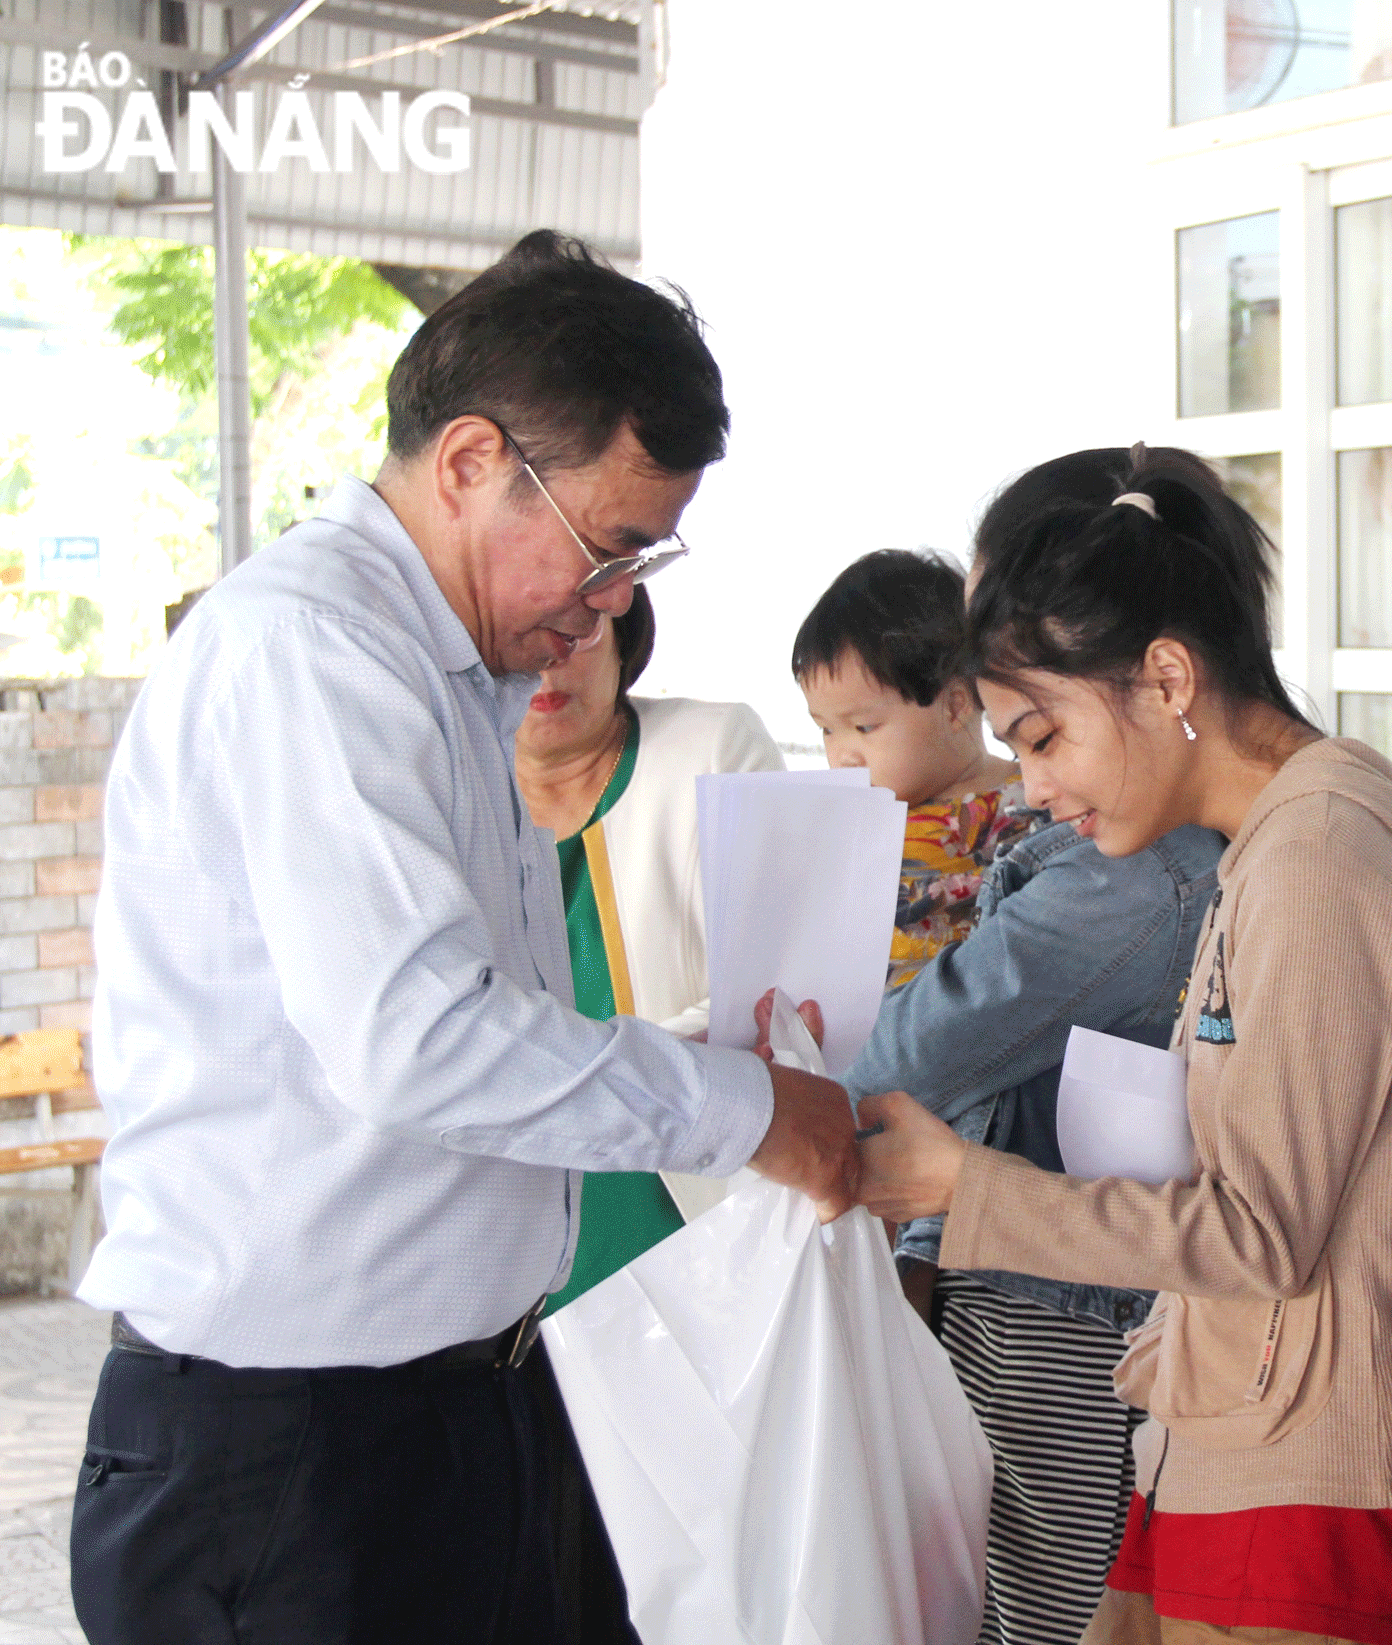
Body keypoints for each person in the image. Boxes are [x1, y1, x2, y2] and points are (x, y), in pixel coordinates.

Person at [69, 230, 861, 1645]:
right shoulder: (312, 655)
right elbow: (419, 1042)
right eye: (611, 546)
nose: (615, 599)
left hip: (454, 1402)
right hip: (289, 1456)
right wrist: (750, 1115)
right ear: (468, 463)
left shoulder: (452, 676)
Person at [855, 443, 1392, 1645]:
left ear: (1165, 677)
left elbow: (1255, 1230)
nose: (1035, 789)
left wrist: (967, 1189)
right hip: (1224, 1432)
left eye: (1043, 737)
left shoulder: (1318, 863)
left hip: (1313, 1481)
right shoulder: (1268, 847)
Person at [832, 456, 1227, 1645]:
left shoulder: (1140, 873)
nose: (1032, 774)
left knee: (1048, 1607)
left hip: (1069, 1308)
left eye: (1037, 727)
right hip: (1031, 1277)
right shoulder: (1114, 843)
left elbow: (914, 1052)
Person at [515, 584, 787, 1281]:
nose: (548, 666)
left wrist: (581, 1084)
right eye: (521, 637)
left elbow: (773, 998)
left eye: (573, 632)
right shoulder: (441, 792)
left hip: (692, 1227)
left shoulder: (714, 745)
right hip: (500, 1245)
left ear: (622, 629)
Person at [794, 547, 1037, 987]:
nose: (843, 755)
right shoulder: (847, 825)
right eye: (827, 730)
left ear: (956, 705)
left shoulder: (1037, 802)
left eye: (864, 727)